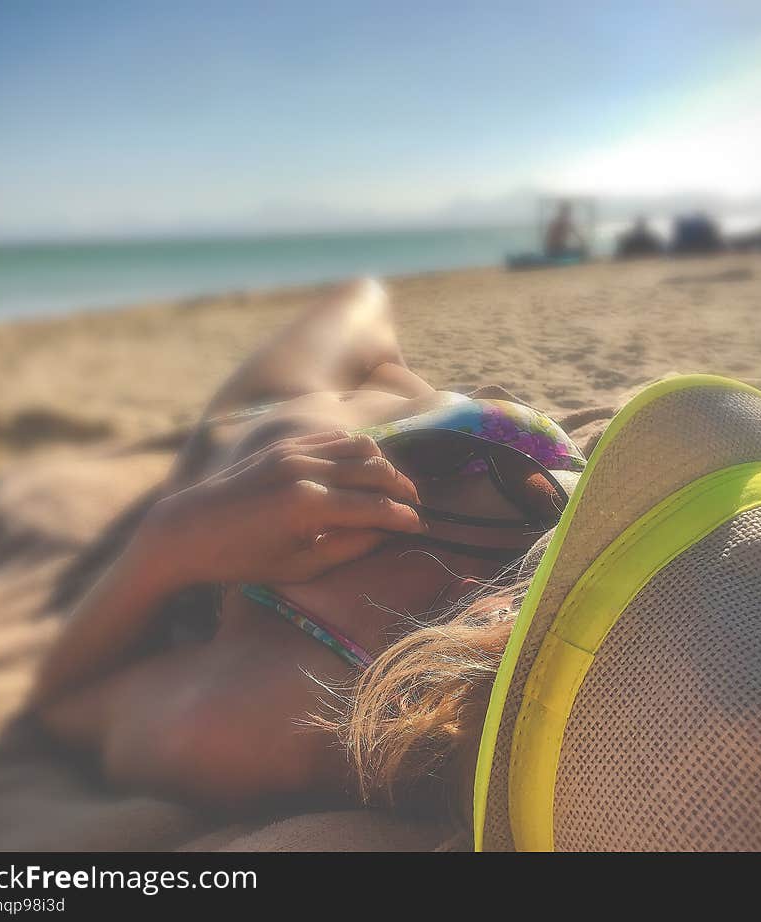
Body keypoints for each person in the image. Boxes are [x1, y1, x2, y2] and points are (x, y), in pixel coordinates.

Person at [30, 278, 583, 822]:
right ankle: (400, 383)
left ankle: (395, 383)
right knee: (370, 317)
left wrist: (168, 543)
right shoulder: (633, 573)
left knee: (358, 299)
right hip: (496, 445)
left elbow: (65, 704)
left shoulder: (294, 715)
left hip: (259, 428)